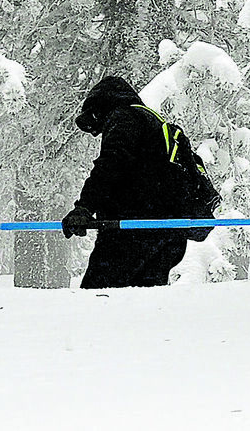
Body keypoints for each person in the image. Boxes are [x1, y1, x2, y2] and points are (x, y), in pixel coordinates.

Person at [61, 76, 191, 289]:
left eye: (95, 120)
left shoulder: (124, 117)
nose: (96, 132)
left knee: (96, 299)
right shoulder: (152, 120)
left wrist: (83, 208)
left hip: (131, 232)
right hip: (166, 233)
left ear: (101, 106)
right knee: (141, 307)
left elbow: (111, 165)